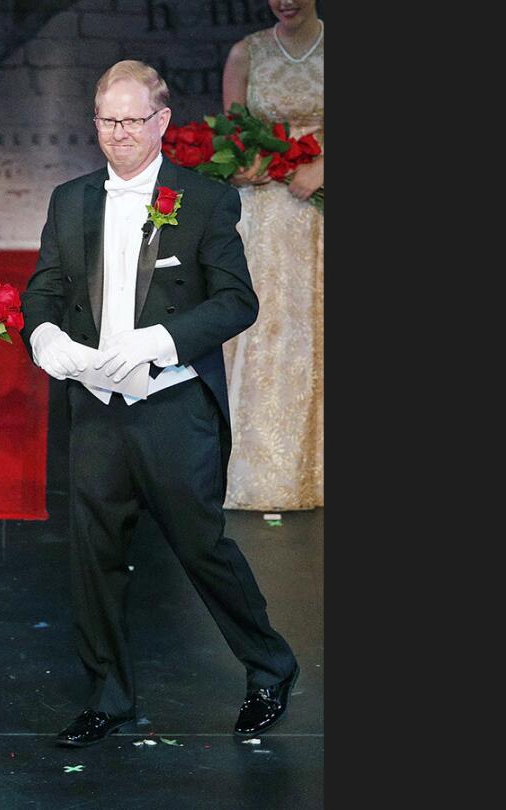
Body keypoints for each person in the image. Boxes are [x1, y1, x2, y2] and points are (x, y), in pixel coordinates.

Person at [20, 60, 299, 746]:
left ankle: (269, 665)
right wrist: (43, 332)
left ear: (162, 121)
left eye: (132, 120)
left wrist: (160, 340)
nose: (119, 134)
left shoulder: (201, 199)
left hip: (171, 405)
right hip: (94, 406)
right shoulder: (71, 198)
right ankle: (108, 696)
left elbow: (237, 301)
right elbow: (45, 287)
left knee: (200, 546)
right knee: (95, 553)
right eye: (107, 120)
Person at [219, 0, 324, 510]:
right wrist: (244, 165)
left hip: (319, 202)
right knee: (266, 325)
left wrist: (324, 168)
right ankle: (262, 470)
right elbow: (231, 136)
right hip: (264, 212)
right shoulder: (248, 53)